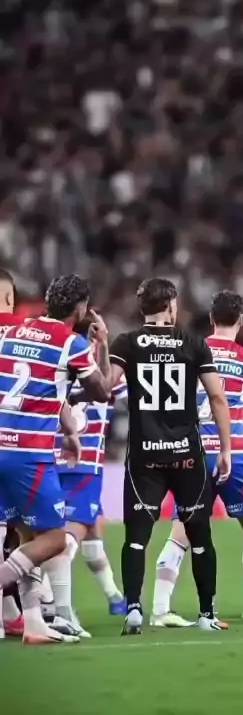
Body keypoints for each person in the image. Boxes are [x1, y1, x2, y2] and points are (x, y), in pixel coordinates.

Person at [151, 290, 243, 626]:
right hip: (230, 453)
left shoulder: (189, 350)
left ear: (210, 319)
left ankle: (160, 609)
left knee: (181, 530)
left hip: (192, 454)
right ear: (241, 321)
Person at [109, 277, 231, 635]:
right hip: (187, 456)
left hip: (145, 456)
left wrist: (100, 346)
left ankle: (134, 609)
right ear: (171, 305)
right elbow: (217, 397)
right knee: (200, 537)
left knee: (136, 537)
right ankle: (207, 614)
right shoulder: (193, 343)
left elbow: (105, 386)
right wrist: (226, 448)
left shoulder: (127, 343)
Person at [0, 274, 109, 644]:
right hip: (29, 456)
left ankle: (33, 623)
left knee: (26, 536)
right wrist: (101, 344)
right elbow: (102, 391)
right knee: (55, 539)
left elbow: (39, 387)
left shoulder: (14, 332)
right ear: (80, 309)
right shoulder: (70, 343)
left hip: (1, 445)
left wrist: (67, 427)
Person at [45, 313, 126, 638]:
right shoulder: (98, 372)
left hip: (53, 459)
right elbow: (110, 388)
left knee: (93, 529)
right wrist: (104, 347)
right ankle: (53, 605)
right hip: (84, 464)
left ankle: (114, 597)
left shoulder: (56, 367)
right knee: (67, 540)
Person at [0, 268, 27, 639]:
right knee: (28, 532)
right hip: (20, 445)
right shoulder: (27, 332)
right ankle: (43, 608)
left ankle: (11, 613)